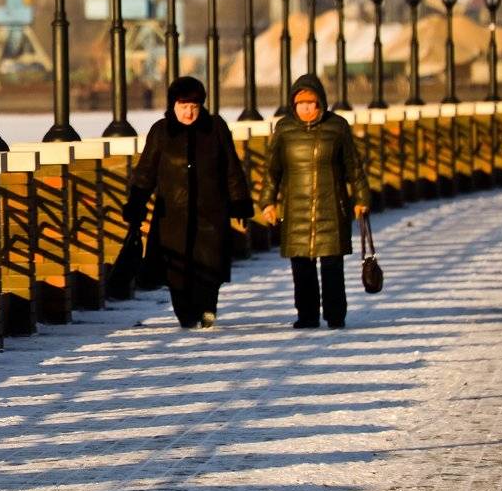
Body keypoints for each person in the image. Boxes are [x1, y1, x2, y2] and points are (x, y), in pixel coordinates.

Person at [124, 76, 253, 329]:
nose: (189, 112)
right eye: (184, 106)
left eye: (194, 107)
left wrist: (240, 203)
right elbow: (145, 173)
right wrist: (136, 204)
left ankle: (208, 311)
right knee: (176, 272)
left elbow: (232, 169)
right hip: (172, 216)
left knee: (209, 266)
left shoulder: (215, 127)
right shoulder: (161, 132)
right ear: (173, 105)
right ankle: (185, 314)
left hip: (211, 213)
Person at [260, 73, 372, 329]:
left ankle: (335, 315)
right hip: (295, 209)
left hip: (332, 207)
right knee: (302, 268)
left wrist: (362, 198)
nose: (306, 108)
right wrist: (267, 201)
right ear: (293, 104)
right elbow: (271, 170)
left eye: (311, 103)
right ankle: (307, 315)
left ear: (321, 102)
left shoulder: (337, 127)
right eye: (301, 103)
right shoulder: (285, 129)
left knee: (332, 266)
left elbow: (353, 167)